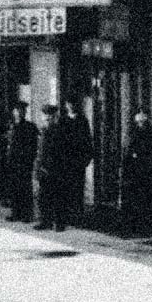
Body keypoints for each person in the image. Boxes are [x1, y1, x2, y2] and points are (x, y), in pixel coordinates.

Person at [60, 97, 95, 228]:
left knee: (78, 189)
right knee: (66, 188)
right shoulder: (63, 120)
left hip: (78, 161)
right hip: (65, 161)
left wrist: (86, 159)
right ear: (66, 105)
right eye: (69, 103)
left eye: (73, 103)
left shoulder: (82, 120)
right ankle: (67, 216)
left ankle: (77, 216)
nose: (71, 106)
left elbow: (87, 140)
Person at [34, 105, 68, 231]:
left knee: (57, 196)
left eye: (51, 116)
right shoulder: (43, 131)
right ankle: (45, 220)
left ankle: (59, 222)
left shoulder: (59, 132)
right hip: (43, 168)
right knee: (43, 196)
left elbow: (61, 152)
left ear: (55, 117)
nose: (48, 118)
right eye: (46, 116)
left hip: (55, 168)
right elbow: (39, 152)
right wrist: (38, 168)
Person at [3, 101, 38, 223]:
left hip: (24, 162)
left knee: (25, 188)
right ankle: (15, 212)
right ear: (14, 112)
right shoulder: (11, 126)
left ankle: (27, 214)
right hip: (12, 162)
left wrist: (30, 160)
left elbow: (34, 146)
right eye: (17, 110)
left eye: (22, 111)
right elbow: (7, 144)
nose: (19, 113)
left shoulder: (30, 127)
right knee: (13, 187)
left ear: (25, 112)